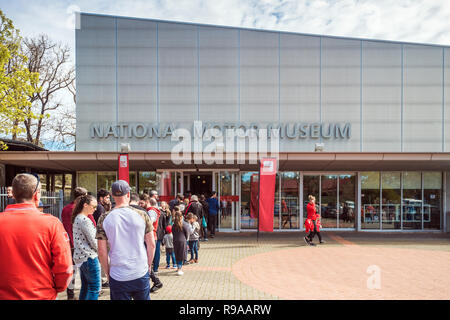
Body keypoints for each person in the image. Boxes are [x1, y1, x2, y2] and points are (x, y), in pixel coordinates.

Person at [0, 173, 72, 299]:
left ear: (14, 194)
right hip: (42, 294)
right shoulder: (52, 223)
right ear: (37, 194)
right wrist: (58, 287)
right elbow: (65, 267)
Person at [96, 180, 156, 300]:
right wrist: (148, 266)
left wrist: (108, 272)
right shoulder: (142, 214)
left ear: (112, 196)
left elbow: (101, 251)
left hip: (118, 274)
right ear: (128, 194)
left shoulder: (104, 218)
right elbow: (151, 244)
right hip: (140, 271)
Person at [61, 186, 96, 299]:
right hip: (83, 246)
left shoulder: (66, 209)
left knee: (72, 271)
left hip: (69, 244)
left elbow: (65, 226)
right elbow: (93, 226)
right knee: (87, 278)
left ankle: (70, 294)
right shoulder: (83, 210)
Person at [72, 194, 101, 300]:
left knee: (86, 287)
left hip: (81, 257)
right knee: (94, 288)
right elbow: (94, 242)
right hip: (89, 257)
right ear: (85, 205)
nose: (95, 209)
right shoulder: (84, 220)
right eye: (93, 206)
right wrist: (103, 252)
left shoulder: (77, 218)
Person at [146, 198, 164, 293]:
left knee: (147, 261)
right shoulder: (154, 211)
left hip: (150, 236)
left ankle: (156, 281)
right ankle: (155, 281)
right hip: (153, 236)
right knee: (148, 261)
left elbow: (150, 222)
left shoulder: (151, 211)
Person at [172, 209, 190, 275]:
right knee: (181, 255)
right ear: (181, 217)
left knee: (177, 254)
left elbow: (173, 233)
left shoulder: (173, 225)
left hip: (175, 240)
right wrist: (186, 239)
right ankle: (179, 269)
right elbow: (187, 233)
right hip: (182, 241)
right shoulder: (184, 224)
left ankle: (178, 267)